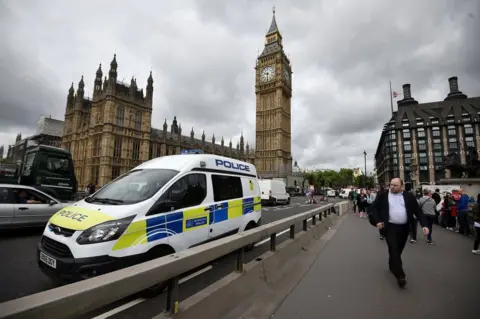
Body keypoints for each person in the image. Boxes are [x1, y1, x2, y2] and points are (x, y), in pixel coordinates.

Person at [370, 178, 429, 288]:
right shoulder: (383, 196)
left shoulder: (409, 196)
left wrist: (424, 225)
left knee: (399, 248)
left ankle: (392, 264)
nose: (392, 187)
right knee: (394, 247)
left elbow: (418, 211)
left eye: (395, 185)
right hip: (389, 227)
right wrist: (378, 221)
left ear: (401, 186)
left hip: (404, 228)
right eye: (391, 184)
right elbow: (373, 208)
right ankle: (400, 276)